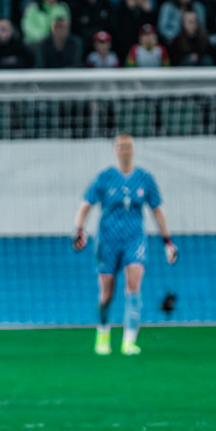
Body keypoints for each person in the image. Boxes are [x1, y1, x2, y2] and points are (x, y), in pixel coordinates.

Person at [73, 133, 177, 356]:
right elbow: (86, 205)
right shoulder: (105, 178)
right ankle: (102, 332)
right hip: (107, 240)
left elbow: (157, 210)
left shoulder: (145, 179)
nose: (125, 150)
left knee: (134, 286)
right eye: (120, 147)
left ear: (134, 150)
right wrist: (79, 230)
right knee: (107, 293)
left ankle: (129, 340)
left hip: (135, 239)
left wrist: (167, 240)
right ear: (115, 151)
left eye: (128, 147)